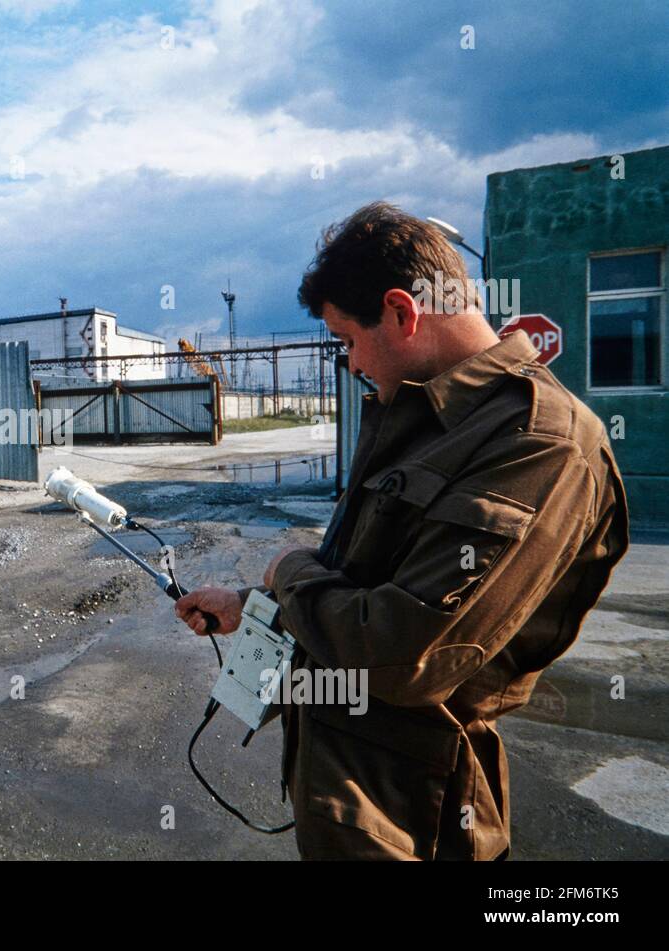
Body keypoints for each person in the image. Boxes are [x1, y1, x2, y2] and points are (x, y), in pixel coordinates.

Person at [176, 202, 629, 860]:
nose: (351, 363)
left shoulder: (543, 444)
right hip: (349, 800)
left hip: (417, 823)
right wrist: (252, 607)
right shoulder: (419, 411)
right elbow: (362, 580)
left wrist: (288, 571)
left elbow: (401, 655)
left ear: (401, 311)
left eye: (348, 340)